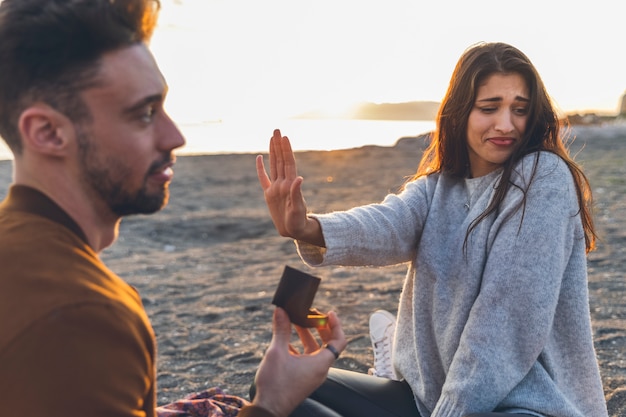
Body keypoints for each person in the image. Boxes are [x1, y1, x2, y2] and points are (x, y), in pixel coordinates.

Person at [0, 1, 346, 417]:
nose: (176, 136)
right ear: (48, 133)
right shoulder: (84, 317)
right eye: (144, 114)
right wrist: (269, 403)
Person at [256, 42, 609, 417]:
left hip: (527, 407)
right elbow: (388, 224)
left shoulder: (543, 177)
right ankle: (390, 363)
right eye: (489, 108)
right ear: (460, 113)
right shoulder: (439, 187)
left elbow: (504, 325)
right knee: (281, 392)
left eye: (520, 110)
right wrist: (307, 227)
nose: (506, 125)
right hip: (430, 401)